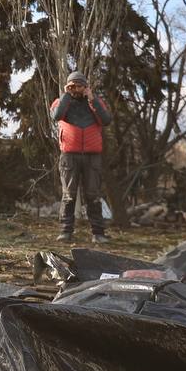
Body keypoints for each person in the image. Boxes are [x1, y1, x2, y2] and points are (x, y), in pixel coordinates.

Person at [50, 70, 112, 243]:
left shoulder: (96, 102)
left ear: (86, 86)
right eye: (72, 85)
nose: (76, 89)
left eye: (79, 85)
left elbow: (106, 120)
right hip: (69, 156)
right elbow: (56, 115)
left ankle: (98, 233)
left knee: (93, 195)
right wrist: (66, 95)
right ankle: (65, 231)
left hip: (92, 156)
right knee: (69, 195)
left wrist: (91, 97)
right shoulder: (61, 102)